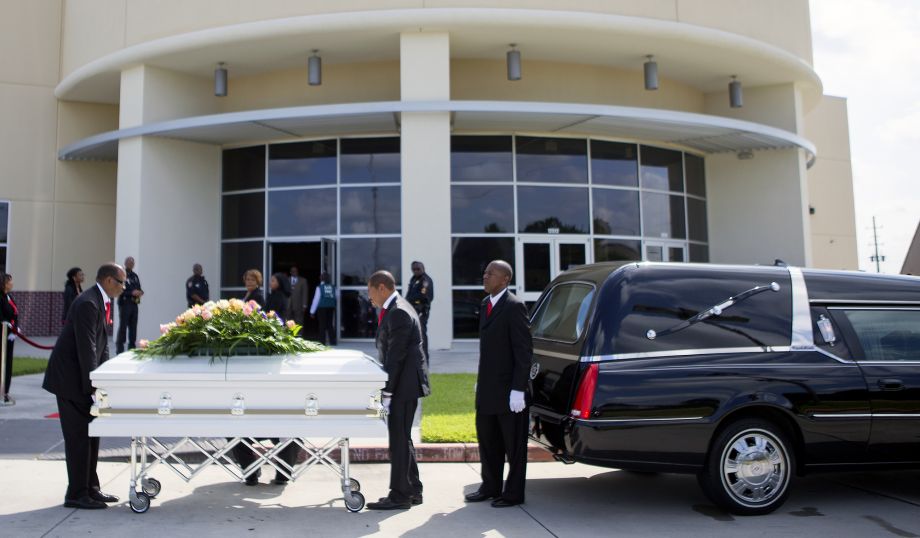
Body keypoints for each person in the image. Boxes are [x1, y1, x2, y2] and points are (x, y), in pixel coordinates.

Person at [42, 263, 125, 509]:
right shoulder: (88, 303)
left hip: (81, 379)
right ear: (109, 281)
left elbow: (102, 343)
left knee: (91, 436)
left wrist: (105, 376)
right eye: (121, 282)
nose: (124, 287)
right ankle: (76, 494)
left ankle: (91, 488)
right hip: (70, 380)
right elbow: (86, 348)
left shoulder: (99, 300)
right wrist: (93, 386)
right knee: (78, 438)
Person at [464, 260, 533, 508]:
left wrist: (518, 389)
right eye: (484, 273)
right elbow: (488, 351)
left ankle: (513, 493)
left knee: (513, 447)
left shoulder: (515, 307)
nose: (485, 276)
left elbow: (524, 352)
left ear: (505, 279)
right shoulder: (485, 305)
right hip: (488, 389)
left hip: (509, 392)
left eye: (490, 274)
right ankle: (490, 487)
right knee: (488, 442)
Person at [365, 270, 430, 510]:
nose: (369, 297)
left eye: (370, 291)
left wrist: (387, 392)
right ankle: (413, 489)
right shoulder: (398, 307)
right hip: (404, 384)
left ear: (382, 287)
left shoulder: (399, 311)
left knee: (399, 440)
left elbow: (396, 357)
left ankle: (399, 495)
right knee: (403, 438)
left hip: (403, 386)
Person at [405, 261, 434, 363]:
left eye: (418, 269)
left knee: (421, 335)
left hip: (421, 311)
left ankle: (425, 360)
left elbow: (424, 296)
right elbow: (409, 294)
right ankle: (416, 359)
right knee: (413, 335)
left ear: (423, 268)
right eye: (414, 269)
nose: (416, 271)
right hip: (412, 311)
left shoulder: (425, 280)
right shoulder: (414, 279)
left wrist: (412, 300)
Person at [116, 256, 143, 354]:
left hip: (134, 303)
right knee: (123, 326)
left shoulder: (135, 276)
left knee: (133, 326)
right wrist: (131, 292)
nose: (131, 265)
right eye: (129, 263)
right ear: (125, 263)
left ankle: (132, 348)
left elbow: (139, 287)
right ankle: (120, 349)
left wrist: (140, 292)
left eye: (133, 263)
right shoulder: (121, 275)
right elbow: (119, 290)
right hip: (125, 303)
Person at [0, 273, 18, 404]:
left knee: (8, 364)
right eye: (9, 281)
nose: (12, 283)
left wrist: (15, 328)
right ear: (4, 283)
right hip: (2, 337)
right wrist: (6, 325)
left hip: (9, 337)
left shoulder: (9, 297)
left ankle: (5, 392)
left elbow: (15, 314)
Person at [310, 272, 336, 345]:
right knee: (330, 324)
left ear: (322, 278)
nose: (319, 277)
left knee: (322, 325)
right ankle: (333, 341)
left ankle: (322, 342)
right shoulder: (333, 286)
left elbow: (316, 299)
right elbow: (336, 296)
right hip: (331, 307)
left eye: (321, 276)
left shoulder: (319, 287)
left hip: (322, 308)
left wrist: (312, 311)